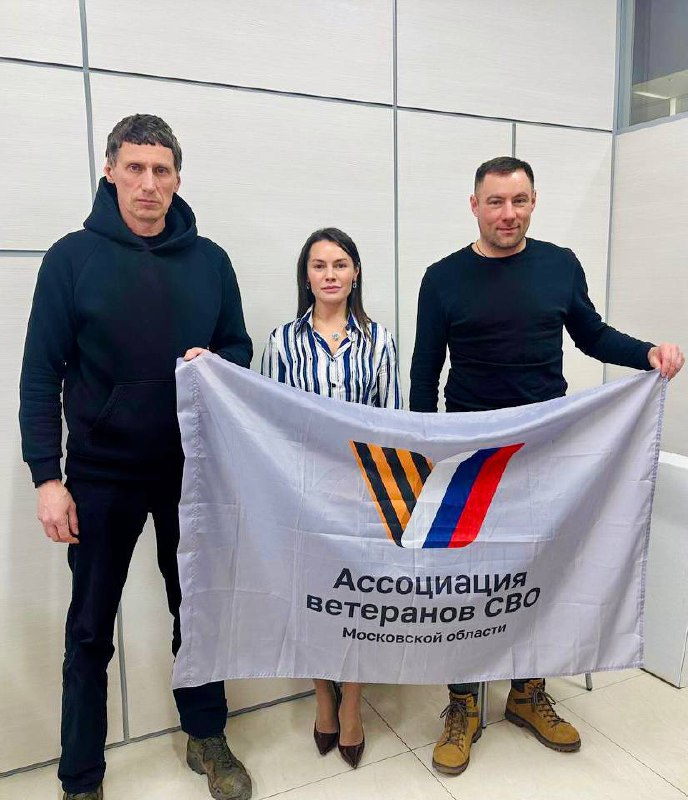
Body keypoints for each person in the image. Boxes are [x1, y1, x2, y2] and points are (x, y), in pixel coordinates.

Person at [409, 155, 684, 777]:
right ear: (474, 205)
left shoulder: (560, 265)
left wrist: (647, 353)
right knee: (467, 581)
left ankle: (527, 693)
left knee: (539, 571)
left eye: (520, 201)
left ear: (533, 202)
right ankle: (463, 703)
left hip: (546, 453)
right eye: (496, 202)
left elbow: (592, 336)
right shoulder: (442, 278)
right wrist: (425, 443)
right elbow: (426, 368)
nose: (508, 214)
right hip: (471, 457)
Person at [19, 114, 254, 800]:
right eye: (135, 168)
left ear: (177, 177)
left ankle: (206, 736)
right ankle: (80, 777)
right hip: (101, 475)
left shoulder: (210, 261)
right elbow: (40, 373)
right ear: (111, 172)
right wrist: (47, 479)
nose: (148, 183)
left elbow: (238, 348)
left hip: (192, 471)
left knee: (197, 614)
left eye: (161, 170)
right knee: (90, 629)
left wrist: (218, 361)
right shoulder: (72, 258)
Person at [261, 227, 402, 768]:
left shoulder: (380, 340)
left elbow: (392, 421)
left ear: (355, 273)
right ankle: (323, 695)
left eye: (340, 264)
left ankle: (352, 704)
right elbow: (272, 418)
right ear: (306, 275)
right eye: (319, 266)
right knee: (313, 598)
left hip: (363, 492)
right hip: (304, 491)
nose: (330, 275)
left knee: (359, 600)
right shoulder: (283, 341)